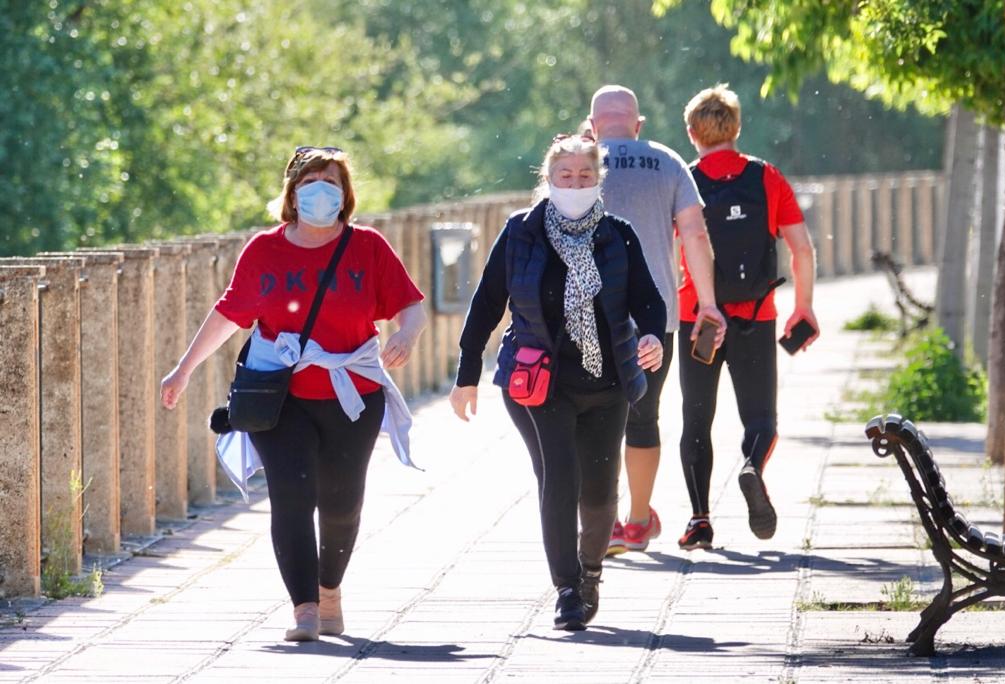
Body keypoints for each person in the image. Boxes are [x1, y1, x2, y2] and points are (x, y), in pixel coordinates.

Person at [159, 146, 426, 641]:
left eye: (331, 181)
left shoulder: (367, 247)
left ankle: (329, 591)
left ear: (345, 194)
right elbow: (228, 315)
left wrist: (406, 335)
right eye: (309, 181)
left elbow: (410, 305)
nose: (320, 190)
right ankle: (304, 608)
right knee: (291, 498)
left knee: (343, 504)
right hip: (280, 399)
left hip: (353, 392)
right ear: (292, 193)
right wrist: (183, 369)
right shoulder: (263, 250)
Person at [449, 134, 666, 630]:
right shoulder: (521, 232)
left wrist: (651, 336)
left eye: (585, 176)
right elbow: (486, 305)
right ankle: (567, 590)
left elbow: (648, 301)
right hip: (538, 383)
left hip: (608, 380)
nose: (575, 184)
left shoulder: (618, 234)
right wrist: (466, 377)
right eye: (565, 176)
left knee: (599, 490)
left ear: (599, 180)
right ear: (548, 179)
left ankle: (591, 572)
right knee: (559, 478)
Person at [676, 85, 818, 551]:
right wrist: (803, 306)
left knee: (696, 420)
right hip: (757, 315)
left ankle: (699, 520)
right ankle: (752, 467)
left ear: (693, 132)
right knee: (761, 420)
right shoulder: (766, 177)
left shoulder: (685, 181)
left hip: (700, 319)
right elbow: (801, 248)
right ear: (736, 128)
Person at [588, 85, 726, 555]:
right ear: (638, 124)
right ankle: (638, 520)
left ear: (593, 125)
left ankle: (598, 520)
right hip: (655, 318)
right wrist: (706, 303)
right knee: (642, 418)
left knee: (590, 415)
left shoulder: (574, 164)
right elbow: (694, 233)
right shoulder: (668, 161)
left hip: (584, 315)